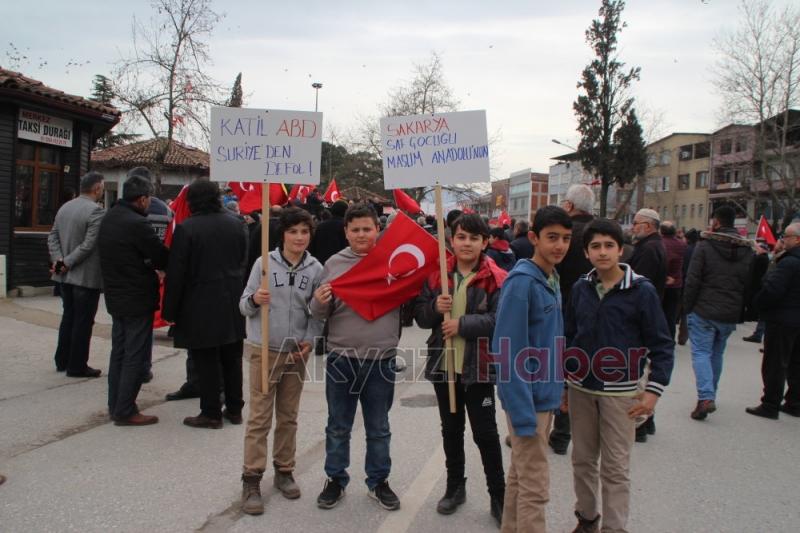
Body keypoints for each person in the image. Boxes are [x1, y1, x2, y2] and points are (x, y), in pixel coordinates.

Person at [564, 218, 674, 533]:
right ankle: (586, 519)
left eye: (609, 245)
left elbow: (662, 345)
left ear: (620, 249)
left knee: (614, 468)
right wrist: (563, 384)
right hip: (581, 389)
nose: (602, 252)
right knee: (582, 461)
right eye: (595, 246)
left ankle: (615, 528)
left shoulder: (642, 291)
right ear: (586, 252)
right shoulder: (580, 288)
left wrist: (652, 392)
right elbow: (570, 336)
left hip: (621, 394)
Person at [414, 214, 507, 525]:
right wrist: (433, 309)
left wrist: (463, 324)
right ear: (451, 240)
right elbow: (420, 318)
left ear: (485, 242)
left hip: (479, 369)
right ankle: (455, 487)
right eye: (461, 237)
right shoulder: (436, 276)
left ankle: (499, 495)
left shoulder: (496, 277)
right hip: (445, 368)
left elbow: (499, 320)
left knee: (486, 433)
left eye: (473, 238)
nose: (467, 243)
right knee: (451, 430)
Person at [310, 204, 401, 511]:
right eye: (355, 229)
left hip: (381, 359)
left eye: (367, 229)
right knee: (338, 425)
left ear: (378, 229)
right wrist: (319, 302)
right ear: (346, 232)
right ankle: (335, 479)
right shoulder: (334, 264)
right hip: (341, 358)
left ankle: (378, 482)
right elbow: (320, 312)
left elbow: (412, 301)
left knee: (379, 428)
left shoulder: (394, 262)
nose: (361, 234)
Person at [492, 206, 573, 533]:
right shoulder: (521, 284)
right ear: (533, 238)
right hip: (528, 402)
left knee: (521, 477)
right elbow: (507, 352)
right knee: (535, 486)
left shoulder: (550, 277)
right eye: (552, 238)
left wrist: (560, 388)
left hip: (544, 396)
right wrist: (522, 413)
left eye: (566, 239)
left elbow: (552, 341)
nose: (560, 246)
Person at [239, 207, 324, 514]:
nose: (299, 237)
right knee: (260, 417)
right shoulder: (264, 263)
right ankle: (251, 478)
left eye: (304, 231)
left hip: (296, 352)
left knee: (288, 416)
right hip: (265, 349)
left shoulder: (316, 268)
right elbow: (243, 305)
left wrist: (310, 339)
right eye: (293, 232)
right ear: (283, 235)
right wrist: (254, 300)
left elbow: (318, 313)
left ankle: (284, 470)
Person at [162, 180, 248, 429]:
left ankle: (210, 412)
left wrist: (170, 309)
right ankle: (234, 408)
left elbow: (176, 273)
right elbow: (243, 259)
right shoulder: (237, 224)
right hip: (232, 298)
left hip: (200, 301)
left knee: (207, 359)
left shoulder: (188, 229)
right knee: (232, 358)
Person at [98, 175, 168, 426]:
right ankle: (126, 409)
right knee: (135, 354)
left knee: (119, 351)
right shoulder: (137, 224)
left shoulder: (110, 218)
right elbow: (160, 256)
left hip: (116, 295)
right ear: (142, 199)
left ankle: (115, 403)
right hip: (136, 296)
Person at [684, 205, 754, 421]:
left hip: (704, 308)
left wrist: (686, 307)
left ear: (716, 221)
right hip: (729, 311)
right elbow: (748, 282)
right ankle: (709, 395)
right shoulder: (747, 250)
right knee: (716, 353)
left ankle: (706, 397)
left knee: (701, 353)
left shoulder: (704, 247)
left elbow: (693, 279)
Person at [550, 183, 596, 456]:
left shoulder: (564, 235)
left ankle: (560, 432)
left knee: (561, 370)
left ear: (568, 206)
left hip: (564, 310)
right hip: (595, 312)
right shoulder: (603, 233)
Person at [47, 171, 105, 377]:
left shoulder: (65, 207)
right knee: (83, 321)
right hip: (84, 276)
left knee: (68, 317)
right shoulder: (97, 212)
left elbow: (52, 236)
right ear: (97, 187)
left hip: (64, 275)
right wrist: (68, 262)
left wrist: (59, 261)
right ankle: (77, 365)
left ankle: (62, 360)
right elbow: (89, 245)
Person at [746, 223, 800, 419]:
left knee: (776, 363)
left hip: (782, 319)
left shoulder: (789, 263)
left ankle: (770, 404)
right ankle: (794, 402)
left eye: (786, 236)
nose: (782, 239)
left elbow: (772, 290)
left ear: (797, 239)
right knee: (796, 363)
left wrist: (758, 304)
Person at [628, 208, 667, 441]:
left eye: (636, 223)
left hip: (641, 316)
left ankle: (640, 423)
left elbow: (638, 283)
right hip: (647, 313)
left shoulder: (649, 249)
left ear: (649, 226)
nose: (633, 226)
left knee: (639, 373)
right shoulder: (653, 246)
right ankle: (647, 420)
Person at [660, 221, 687, 341]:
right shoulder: (681, 244)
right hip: (677, 283)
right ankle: (670, 338)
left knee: (659, 313)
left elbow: (663, 262)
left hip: (663, 283)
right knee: (671, 315)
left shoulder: (660, 244)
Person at [309, 200, 348, 265]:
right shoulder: (346, 227)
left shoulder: (321, 226)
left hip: (321, 264)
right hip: (340, 265)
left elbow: (313, 247)